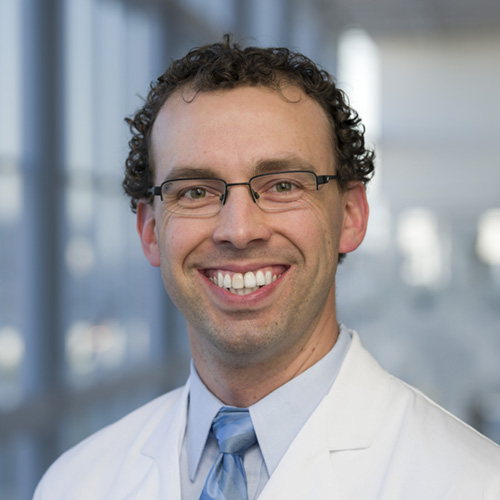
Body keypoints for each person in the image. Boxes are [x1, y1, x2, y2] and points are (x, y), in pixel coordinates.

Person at [34, 35, 500, 500]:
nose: (238, 230)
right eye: (195, 191)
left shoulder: (473, 483)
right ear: (151, 230)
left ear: (351, 216)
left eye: (282, 185)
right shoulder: (73, 484)